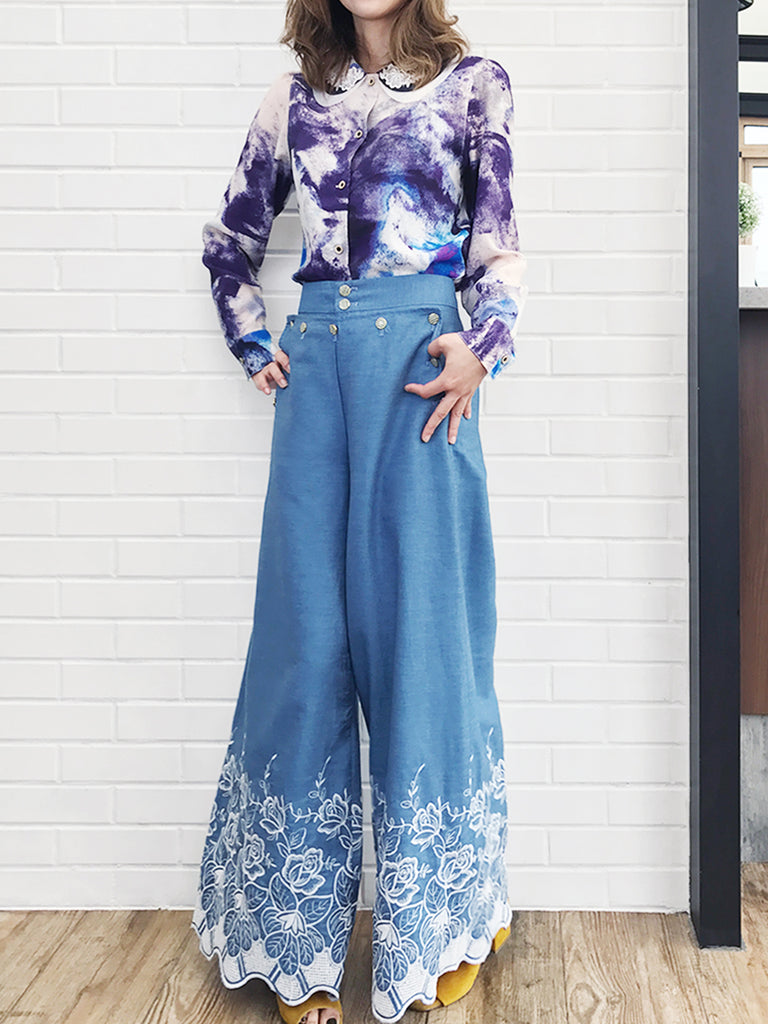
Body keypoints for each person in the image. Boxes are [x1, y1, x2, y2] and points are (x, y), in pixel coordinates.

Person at [189, 1, 529, 1022]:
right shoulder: (292, 101)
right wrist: (255, 341)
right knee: (304, 648)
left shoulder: (475, 87)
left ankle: (447, 922)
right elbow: (230, 245)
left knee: (428, 644)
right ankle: (296, 941)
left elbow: (498, 255)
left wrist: (485, 348)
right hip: (318, 383)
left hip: (423, 379)